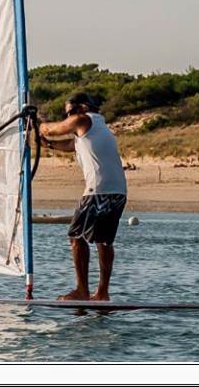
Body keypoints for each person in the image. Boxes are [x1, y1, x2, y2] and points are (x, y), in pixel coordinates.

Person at [39, 92, 127, 302]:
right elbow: (71, 145)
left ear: (83, 107)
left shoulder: (83, 119)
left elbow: (51, 129)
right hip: (118, 191)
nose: (69, 117)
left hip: (98, 190)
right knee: (103, 241)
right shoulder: (99, 128)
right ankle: (102, 293)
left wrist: (38, 124)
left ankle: (82, 291)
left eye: (70, 112)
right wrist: (48, 145)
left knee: (76, 237)